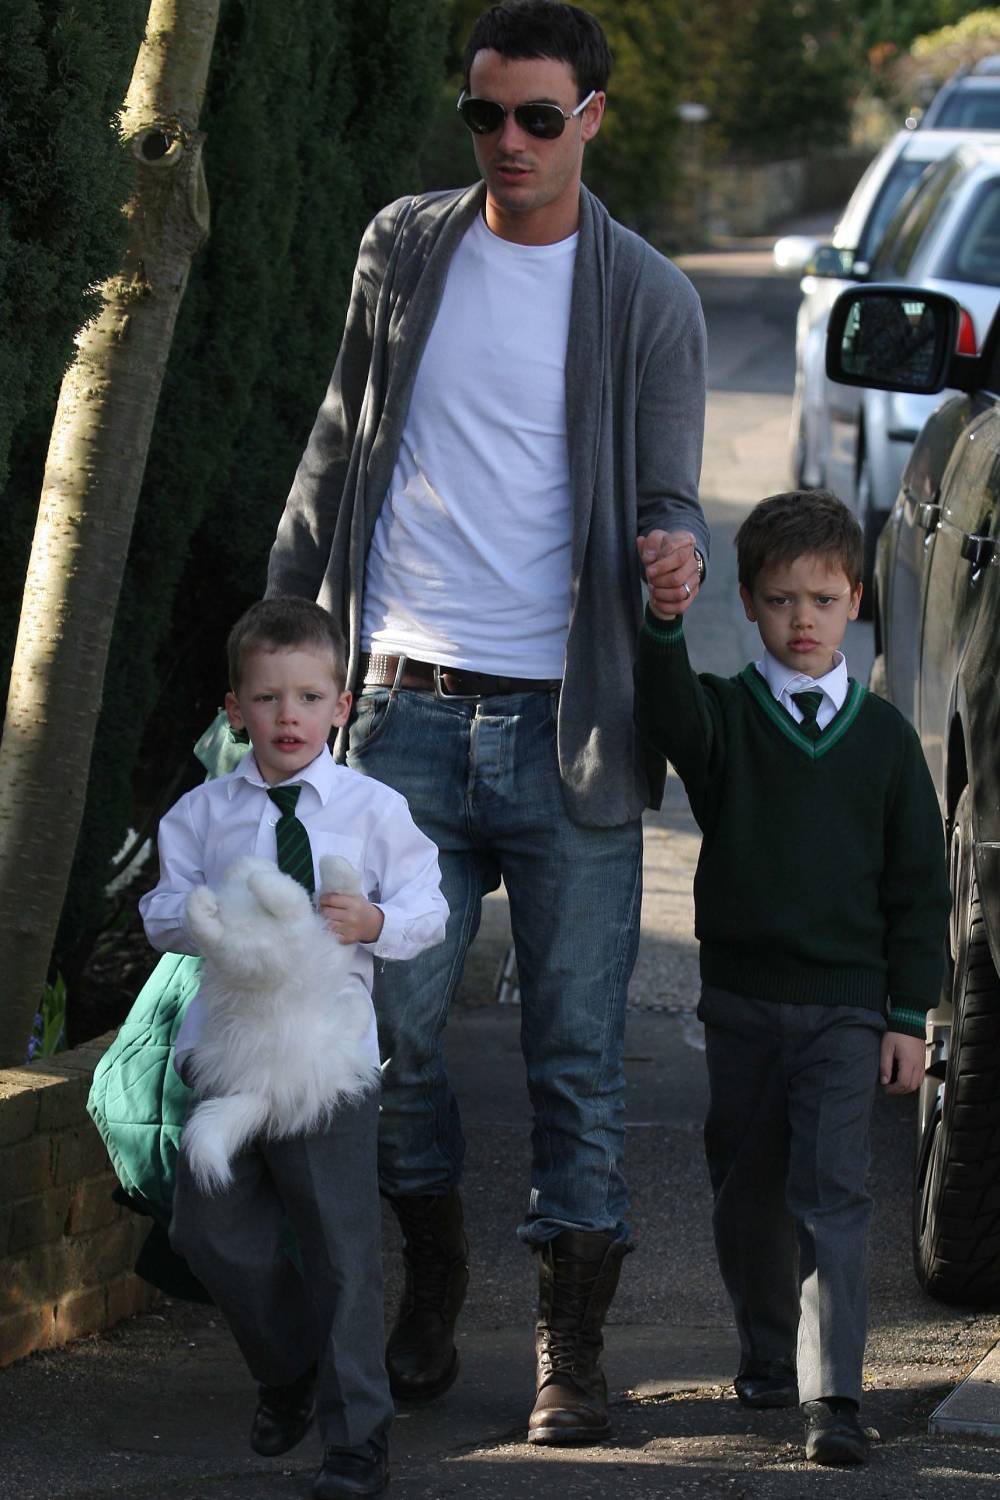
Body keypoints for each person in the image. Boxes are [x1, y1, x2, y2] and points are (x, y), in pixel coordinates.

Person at [266, 0, 708, 1446]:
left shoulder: (647, 295)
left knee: (575, 1053)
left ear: (590, 119)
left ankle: (568, 1347)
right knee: (383, 1025)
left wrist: (670, 556)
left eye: (535, 117)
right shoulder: (405, 248)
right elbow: (336, 455)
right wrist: (283, 661)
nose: (507, 143)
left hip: (566, 726)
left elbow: (668, 495)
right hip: (399, 711)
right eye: (484, 115)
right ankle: (436, 1262)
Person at [633, 490, 950, 1467]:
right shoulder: (727, 717)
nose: (800, 621)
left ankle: (835, 1397)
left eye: (820, 599)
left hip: (848, 1011)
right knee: (745, 1185)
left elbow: (917, 889)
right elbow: (670, 713)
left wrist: (908, 1016)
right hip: (740, 1003)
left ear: (853, 602)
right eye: (778, 602)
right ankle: (766, 1352)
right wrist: (662, 623)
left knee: (832, 1195)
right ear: (748, 606)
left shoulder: (887, 742)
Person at [139, 598, 448, 1500]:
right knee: (209, 1229)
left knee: (343, 1249)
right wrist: (213, 920)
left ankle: (358, 1439)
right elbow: (162, 913)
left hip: (331, 1063)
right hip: (232, 1055)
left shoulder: (371, 807)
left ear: (341, 706)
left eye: (308, 696)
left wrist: (377, 919)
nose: (288, 716)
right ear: (234, 707)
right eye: (267, 698)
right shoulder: (203, 814)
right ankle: (288, 1371)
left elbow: (429, 908)